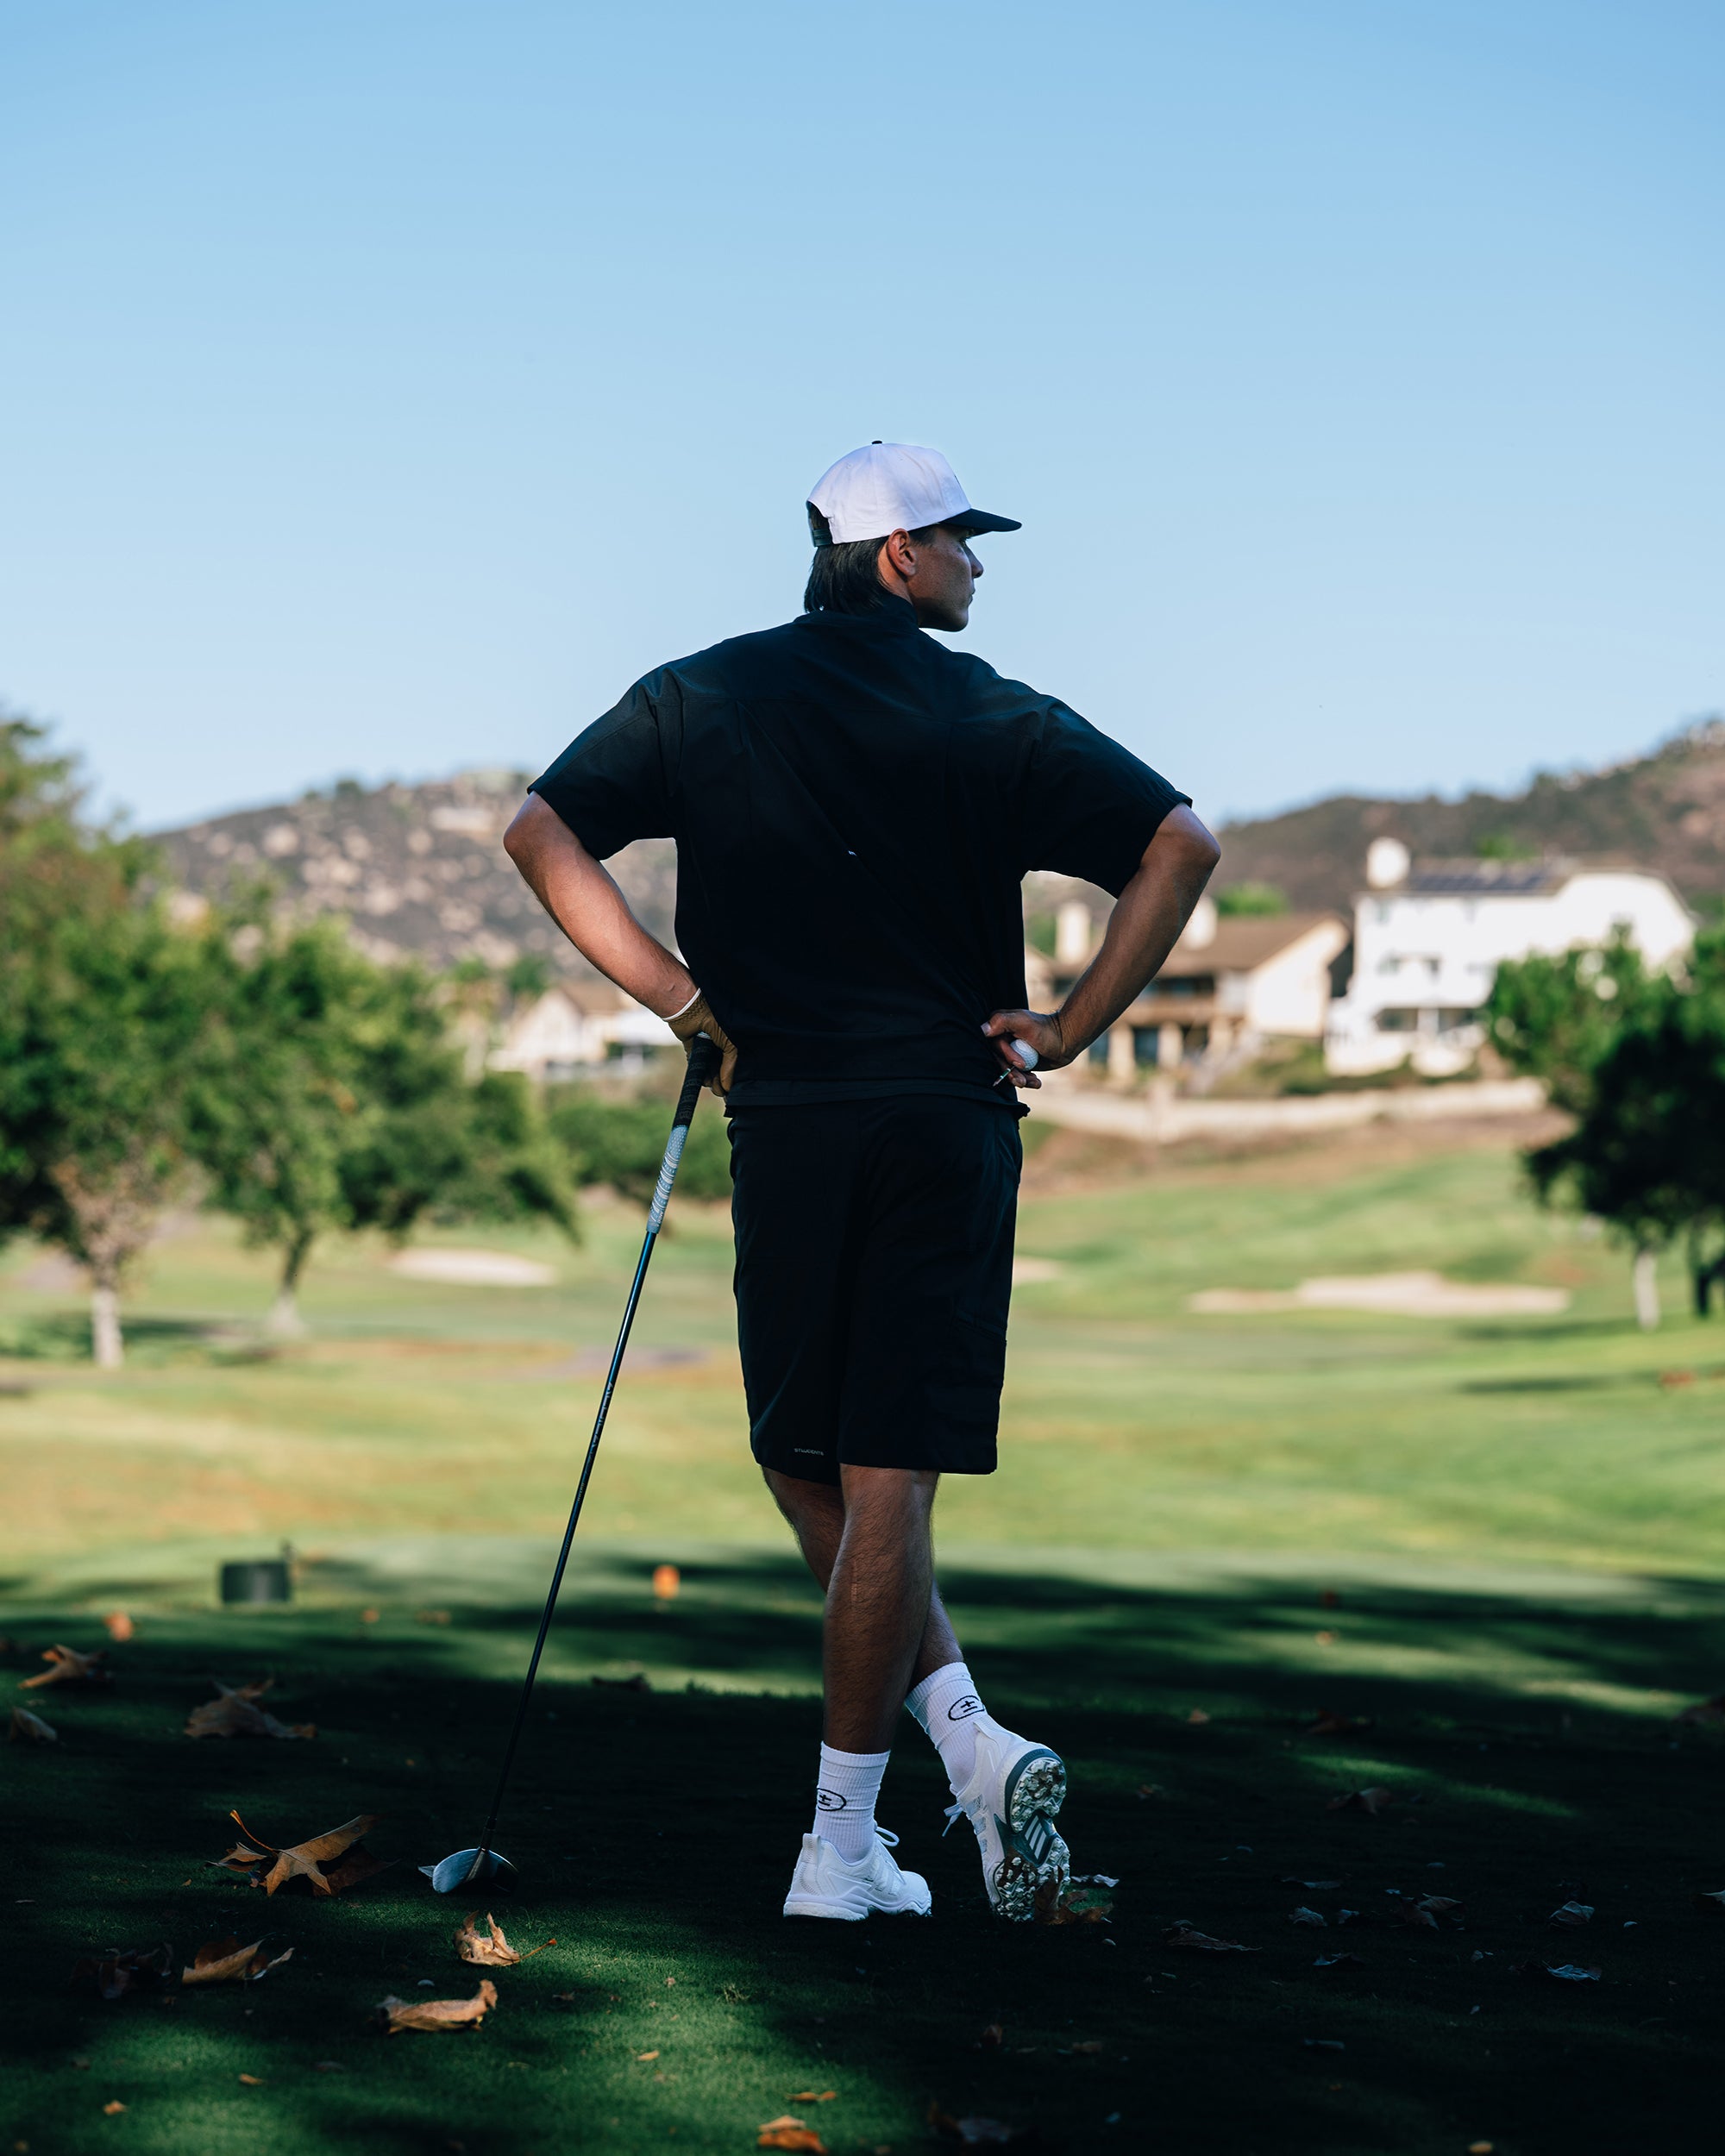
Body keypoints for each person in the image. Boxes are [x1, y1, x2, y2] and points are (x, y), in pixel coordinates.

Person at [505, 442, 1219, 1922]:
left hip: (788, 1120)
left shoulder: (704, 692)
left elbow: (539, 831)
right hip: (941, 1122)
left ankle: (874, 1820)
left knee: (808, 1456)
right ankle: (927, 1780)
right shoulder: (991, 711)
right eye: (960, 539)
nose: (977, 563)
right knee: (863, 1468)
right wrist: (1072, 1028)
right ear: (897, 554)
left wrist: (684, 1006)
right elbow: (1180, 844)